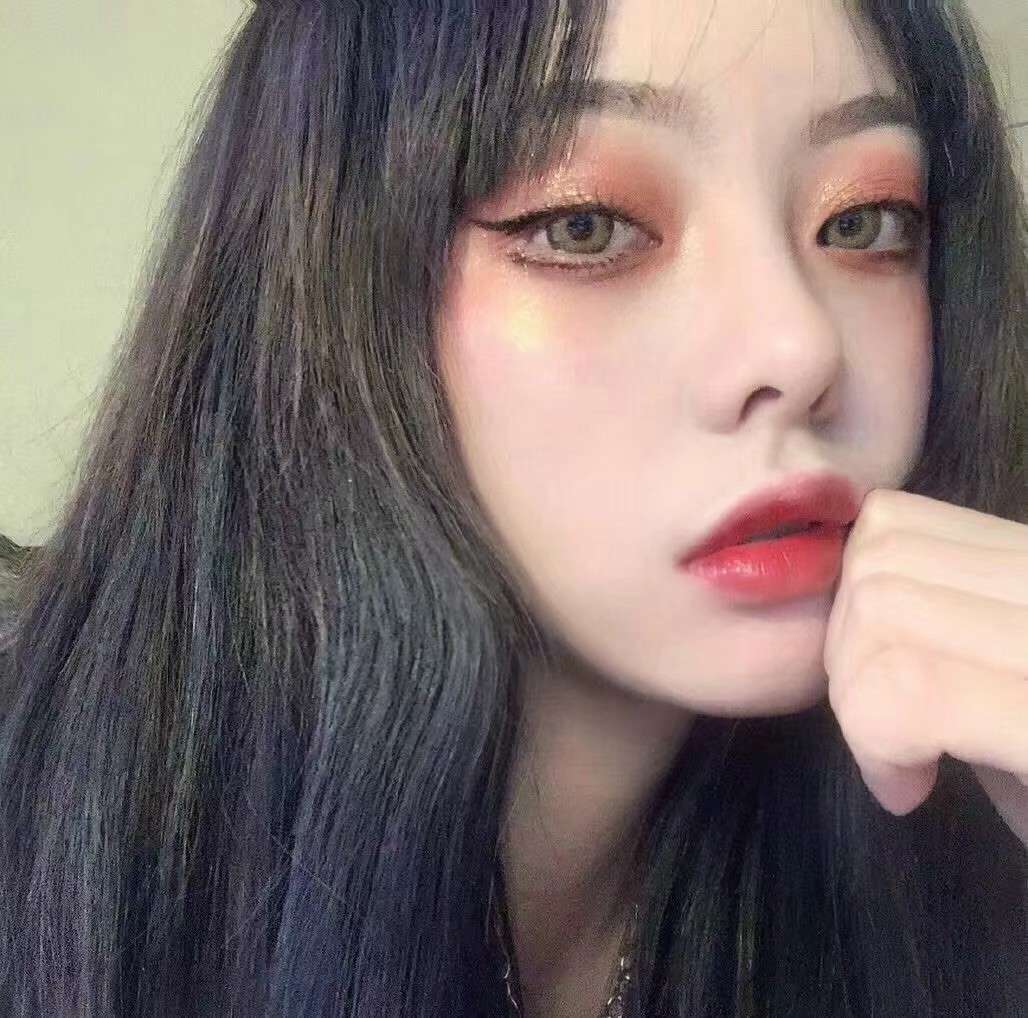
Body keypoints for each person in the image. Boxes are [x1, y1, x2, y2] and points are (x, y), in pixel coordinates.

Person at [0, 0, 1025, 1014]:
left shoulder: (948, 838)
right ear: (322, 299)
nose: (799, 347)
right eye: (586, 225)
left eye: (862, 222)